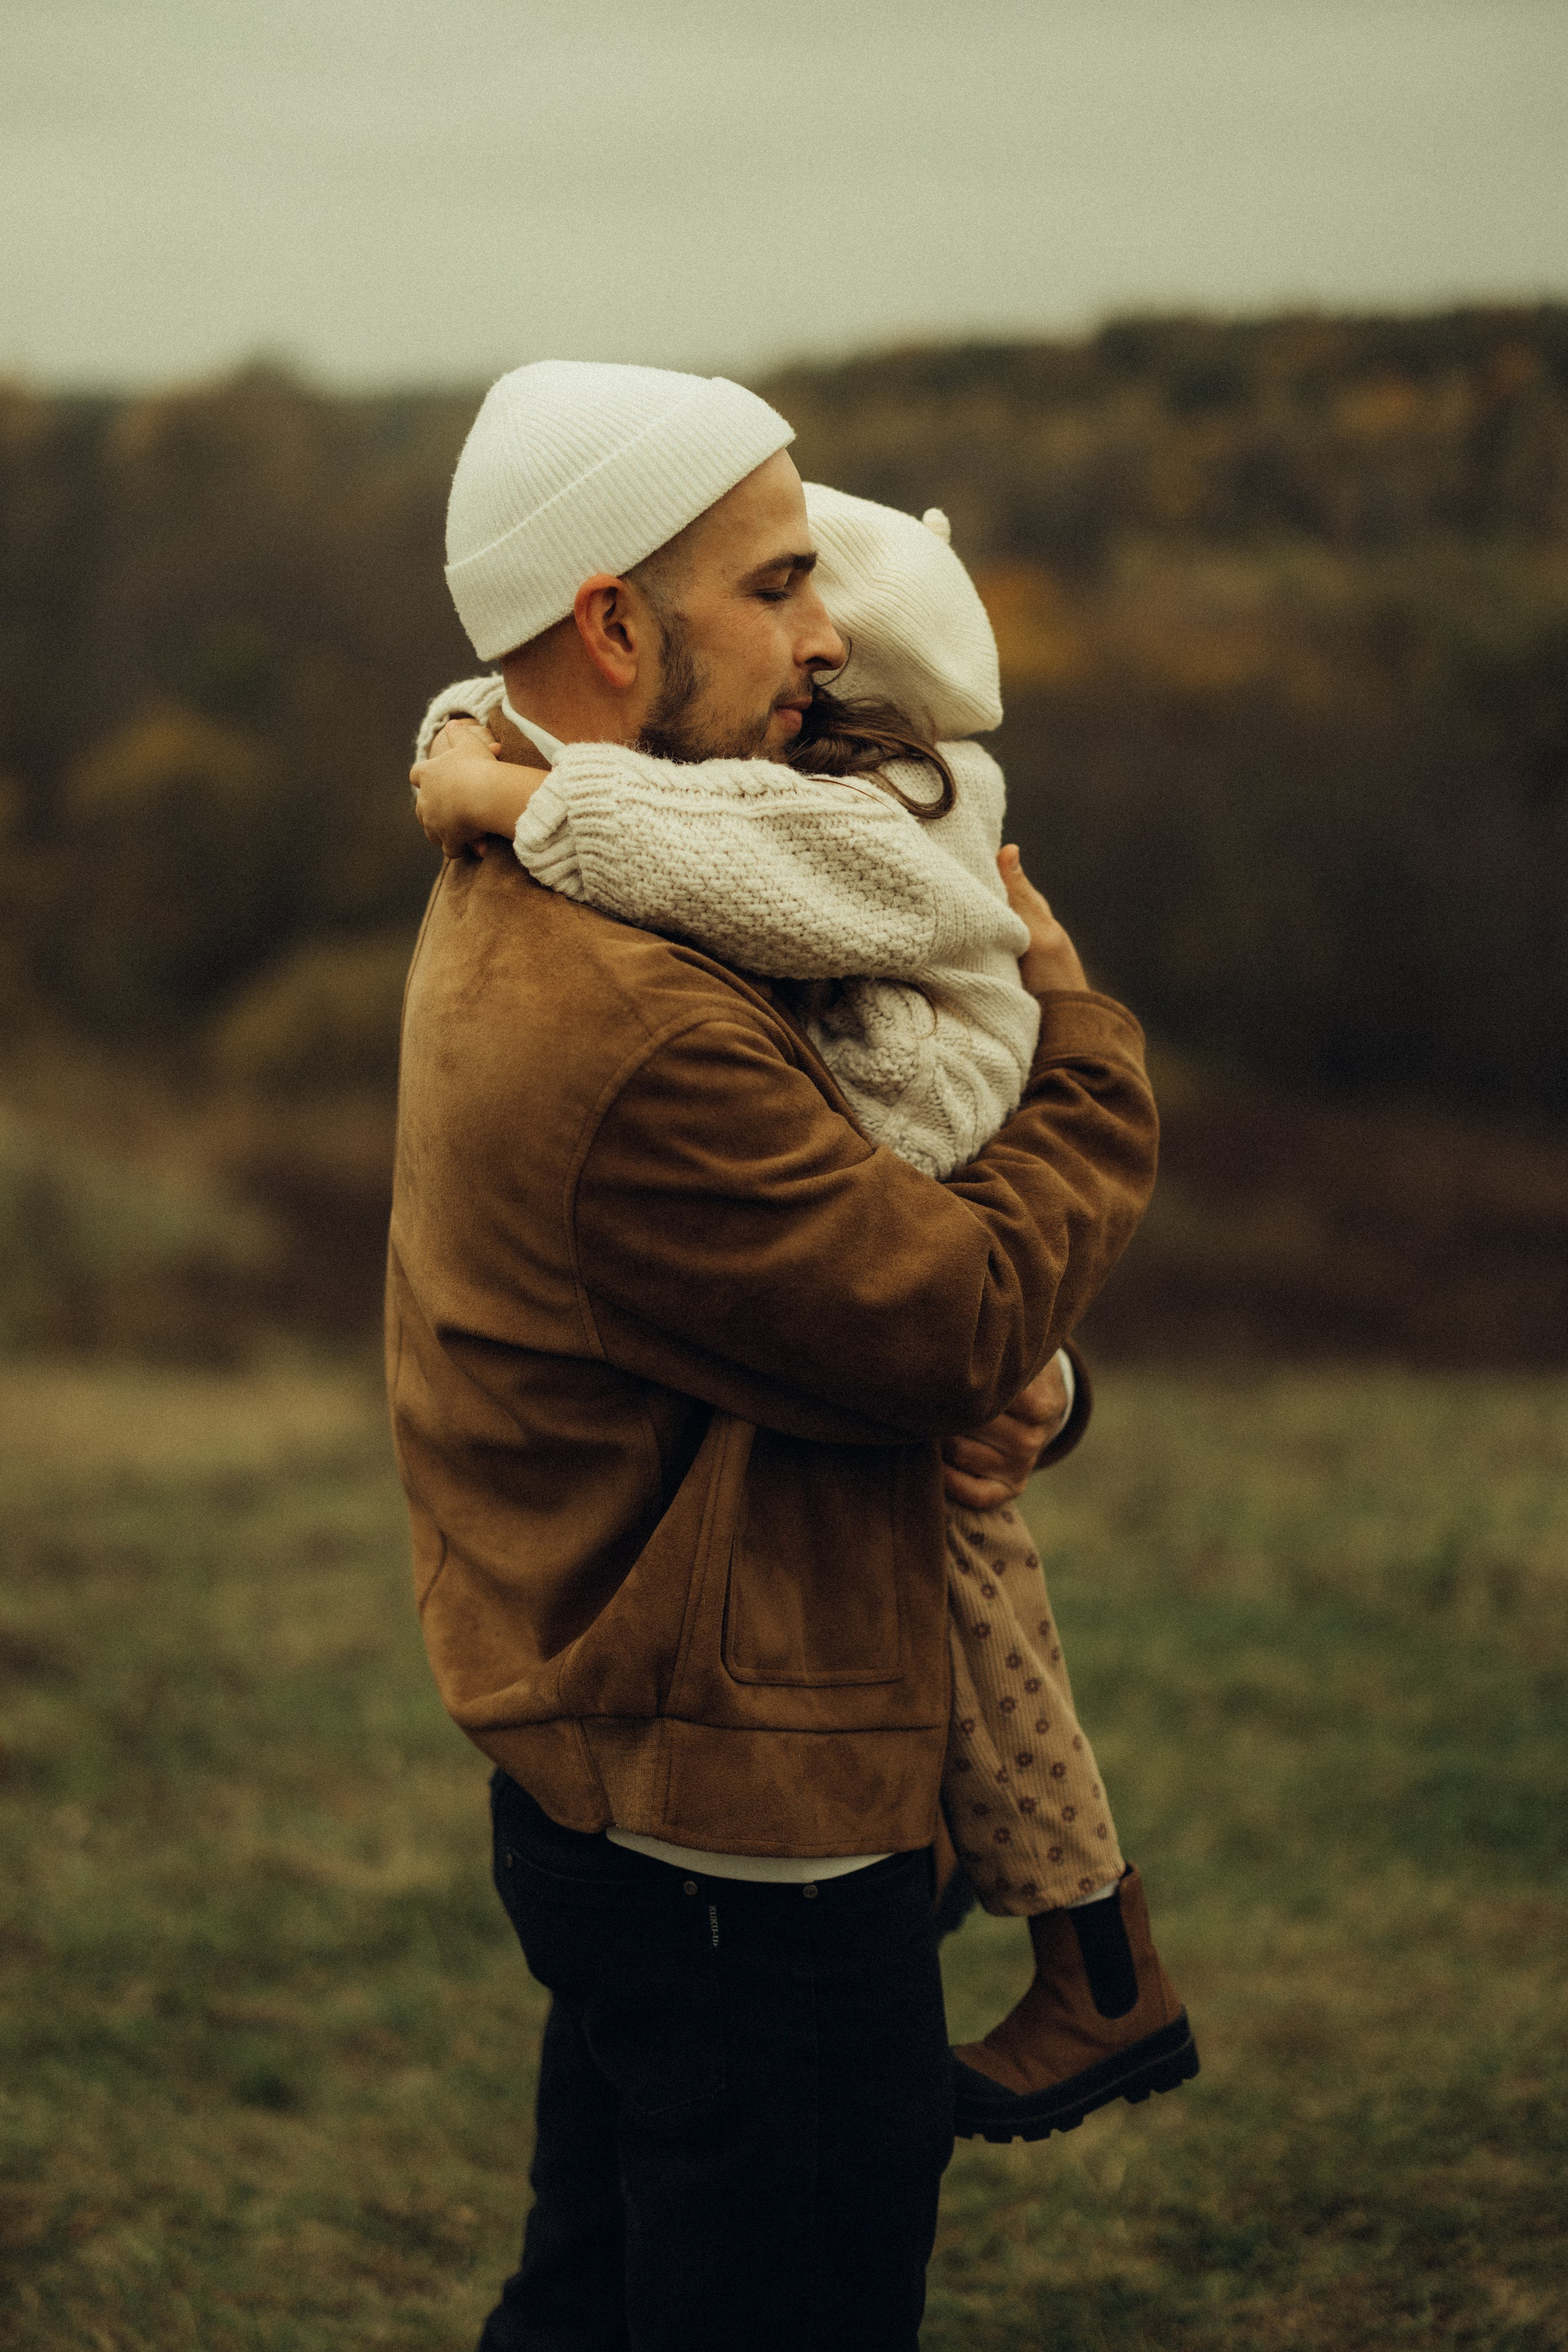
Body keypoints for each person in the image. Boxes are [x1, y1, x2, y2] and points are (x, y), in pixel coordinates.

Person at [387, 358, 1159, 2351]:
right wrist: (1086, 1053)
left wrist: (1040, 1392)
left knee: (599, 2298)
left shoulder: (600, 863)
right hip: (738, 1850)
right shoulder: (632, 1009)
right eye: (779, 583)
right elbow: (947, 1319)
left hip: (667, 1791)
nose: (831, 635)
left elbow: (869, 1311)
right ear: (611, 625)